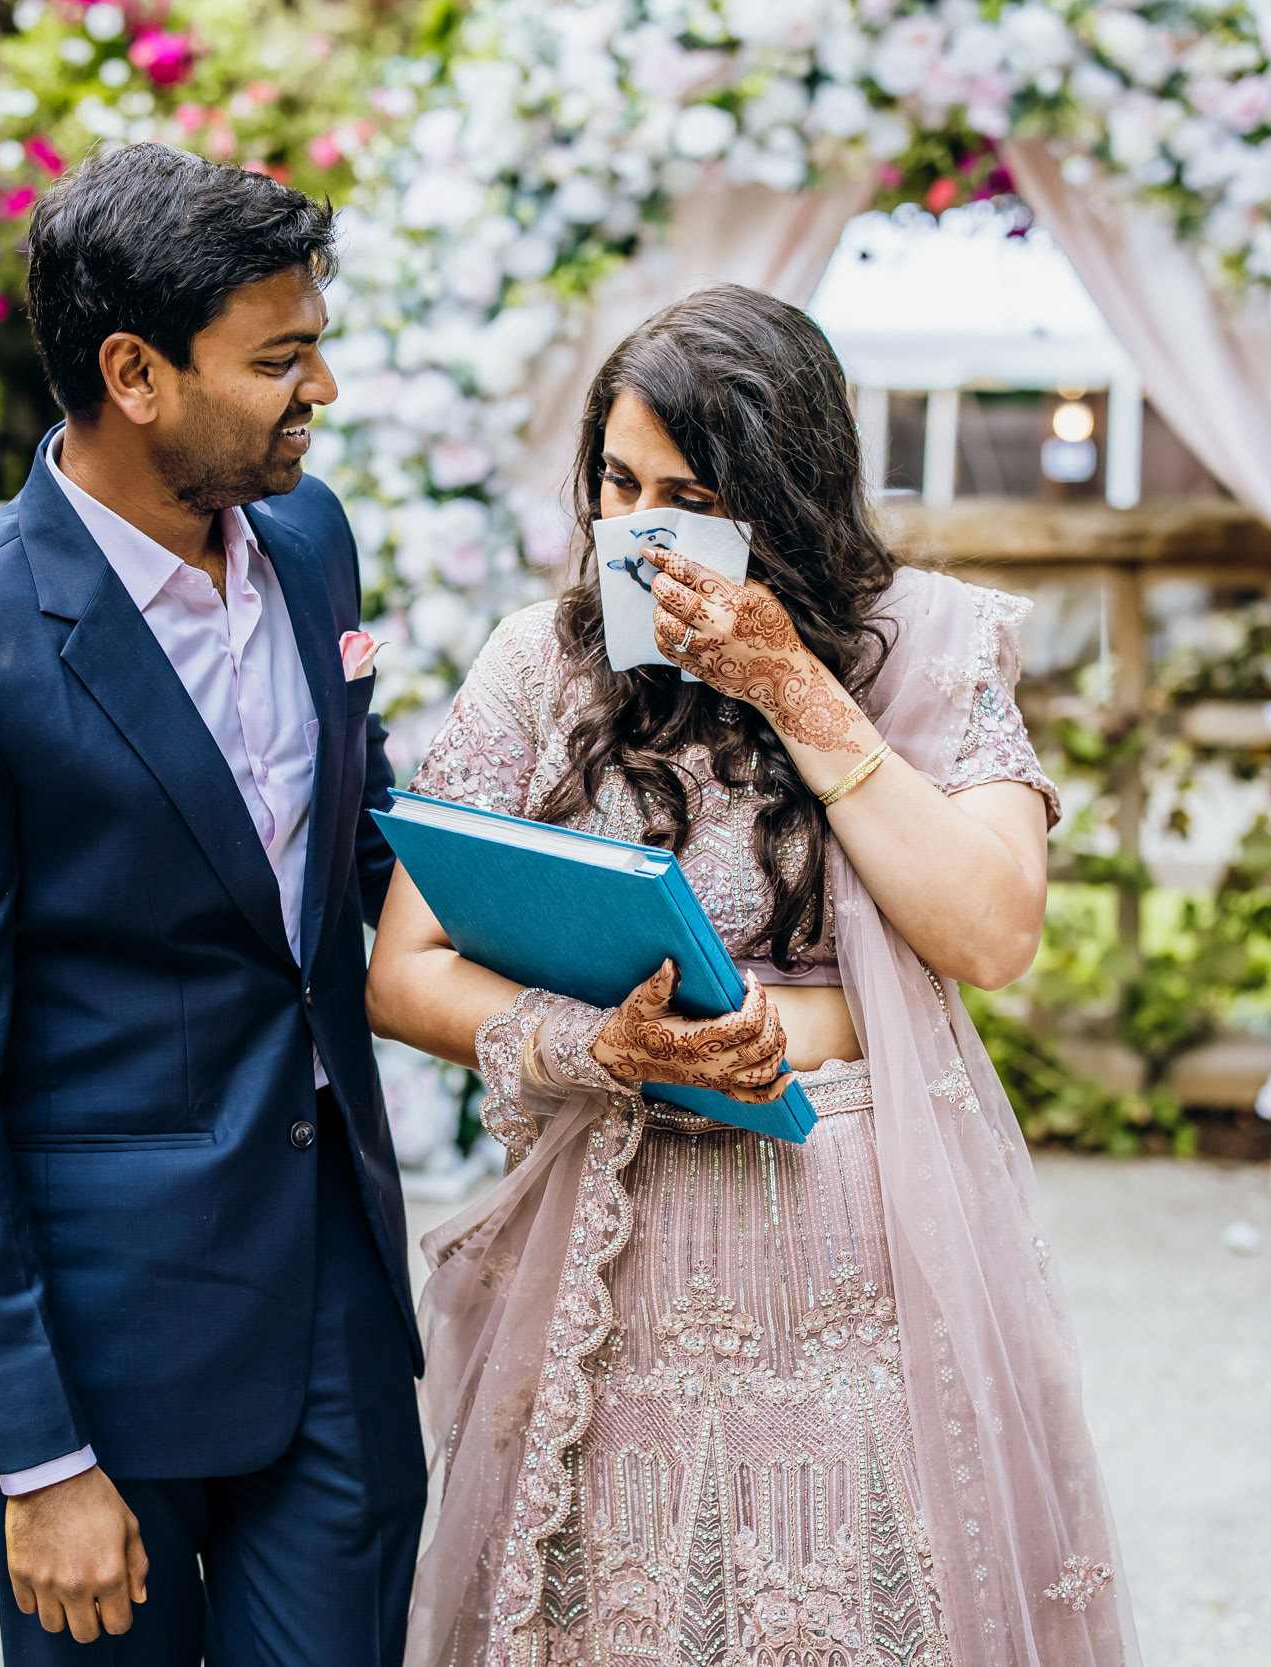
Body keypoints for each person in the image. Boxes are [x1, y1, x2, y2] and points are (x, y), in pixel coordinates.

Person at [369, 285, 1141, 1667]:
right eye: (619, 482)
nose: (640, 530)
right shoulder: (538, 666)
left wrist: (795, 684)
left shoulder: (926, 647)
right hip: (613, 1251)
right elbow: (406, 965)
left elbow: (992, 933)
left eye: (690, 495)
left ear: (782, 501)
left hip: (860, 1277)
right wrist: (599, 1044)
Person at [0, 143, 423, 1665]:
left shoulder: (309, 542)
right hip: (101, 1355)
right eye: (280, 359)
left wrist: (597, 954)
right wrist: (37, 1453)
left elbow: (366, 844)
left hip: (336, 1297)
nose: (324, 391)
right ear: (135, 373)